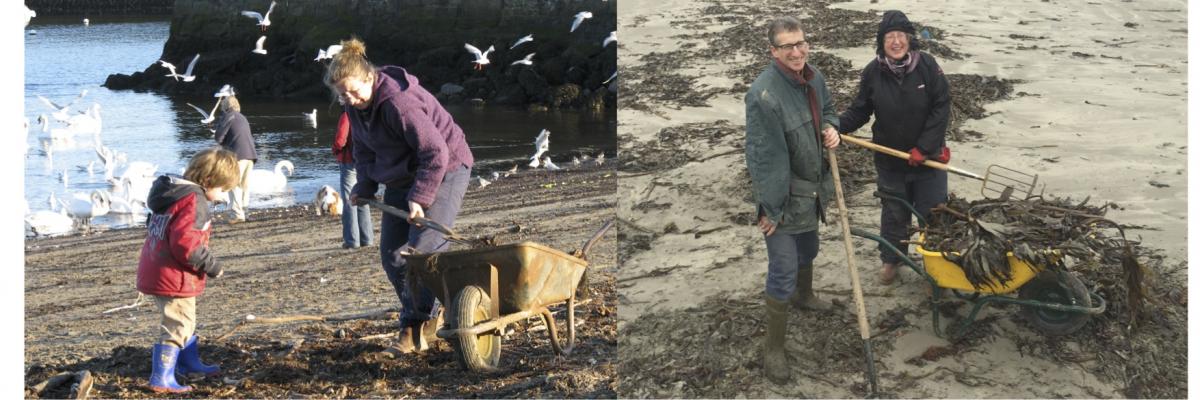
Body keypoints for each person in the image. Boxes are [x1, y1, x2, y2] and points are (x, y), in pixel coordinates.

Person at [324, 38, 474, 354]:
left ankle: (415, 325)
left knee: (420, 252)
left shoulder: (398, 103)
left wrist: (420, 197)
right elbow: (362, 151)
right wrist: (364, 187)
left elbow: (436, 152)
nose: (350, 98)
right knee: (392, 256)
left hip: (446, 168)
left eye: (354, 90)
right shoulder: (354, 108)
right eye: (343, 95)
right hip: (402, 175)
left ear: (370, 78)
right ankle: (427, 315)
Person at [744, 16, 841, 385]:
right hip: (783, 199)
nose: (797, 51)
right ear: (774, 52)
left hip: (814, 191)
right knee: (782, 270)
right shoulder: (762, 95)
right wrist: (771, 209)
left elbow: (829, 112)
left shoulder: (814, 78)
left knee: (809, 250)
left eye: (801, 43)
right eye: (788, 46)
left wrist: (832, 129)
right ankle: (774, 348)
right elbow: (764, 159)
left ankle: (806, 295)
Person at [836, 10, 951, 285]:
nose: (896, 41)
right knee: (894, 214)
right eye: (890, 37)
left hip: (928, 161)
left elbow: (941, 106)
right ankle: (892, 260)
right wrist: (836, 126)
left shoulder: (927, 65)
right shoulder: (873, 72)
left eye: (901, 35)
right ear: (881, 41)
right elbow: (861, 110)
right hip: (890, 160)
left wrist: (924, 148)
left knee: (933, 215)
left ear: (910, 39)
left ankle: (937, 270)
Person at [136, 147, 240, 393]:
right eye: (223, 189)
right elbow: (186, 244)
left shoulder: (172, 195)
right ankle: (161, 377)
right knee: (178, 324)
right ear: (208, 181)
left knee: (184, 319)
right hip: (173, 276)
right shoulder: (195, 201)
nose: (224, 196)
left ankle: (189, 362)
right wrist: (211, 265)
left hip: (157, 267)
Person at [332, 111, 374, 249]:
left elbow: (340, 140)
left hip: (349, 161)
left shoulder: (346, 115)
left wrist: (336, 150)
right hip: (364, 161)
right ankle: (367, 238)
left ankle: (352, 241)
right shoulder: (366, 113)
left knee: (349, 200)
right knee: (362, 197)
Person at [213, 94, 257, 223]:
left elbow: (219, 138)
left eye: (222, 105)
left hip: (237, 155)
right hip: (250, 155)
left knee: (233, 183)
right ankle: (245, 212)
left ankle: (237, 214)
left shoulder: (228, 116)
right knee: (244, 185)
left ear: (225, 106)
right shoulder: (242, 117)